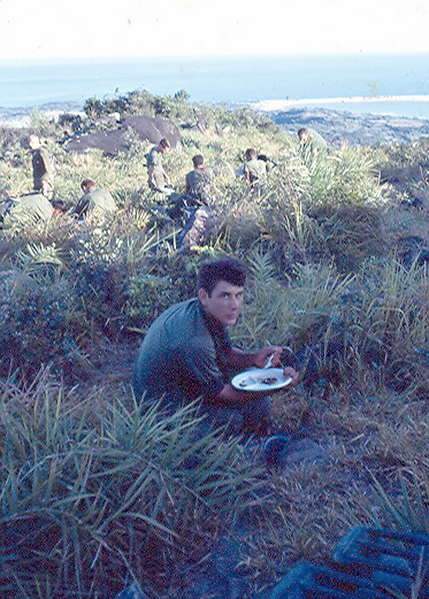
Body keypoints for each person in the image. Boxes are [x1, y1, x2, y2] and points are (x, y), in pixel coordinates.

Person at [133, 257, 299, 435]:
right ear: (204, 296)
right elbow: (223, 393)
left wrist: (253, 357)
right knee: (234, 420)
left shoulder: (208, 311)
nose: (234, 305)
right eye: (225, 295)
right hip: (158, 406)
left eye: (238, 295)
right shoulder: (196, 341)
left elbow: (225, 354)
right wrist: (278, 385)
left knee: (259, 404)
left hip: (183, 381)